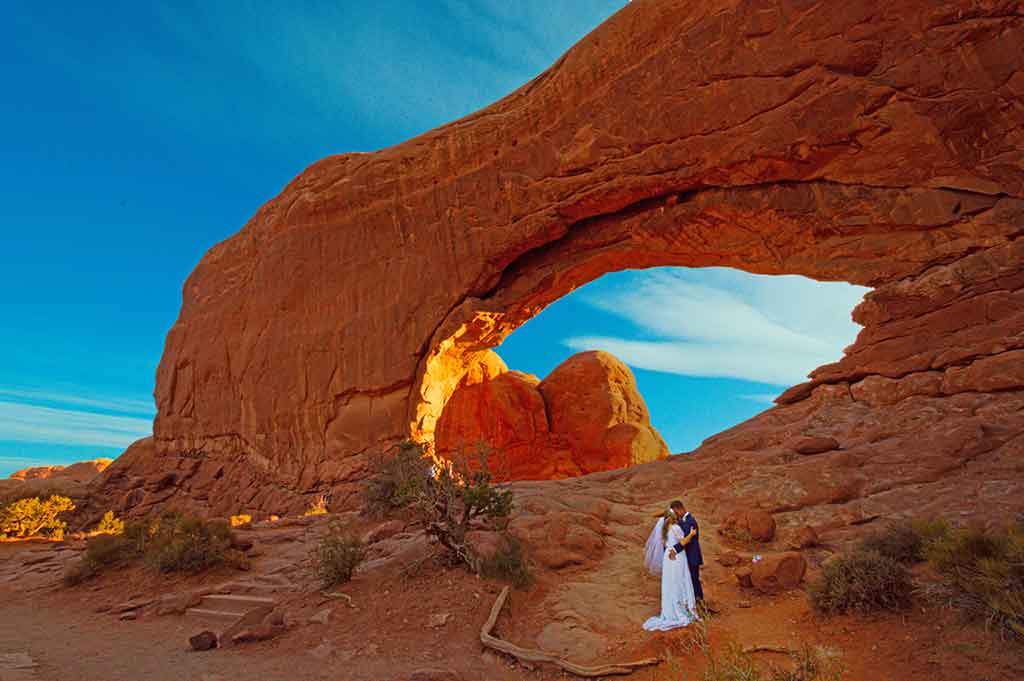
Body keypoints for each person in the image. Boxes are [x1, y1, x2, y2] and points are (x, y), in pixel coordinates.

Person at [641, 507, 699, 631]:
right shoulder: (676, 528)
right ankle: (680, 609)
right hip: (677, 557)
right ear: (674, 518)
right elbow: (683, 542)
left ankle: (670, 609)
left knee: (670, 582)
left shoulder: (664, 529)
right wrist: (691, 534)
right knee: (678, 581)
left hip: (668, 558)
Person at [668, 499, 704, 603]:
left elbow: (686, 541)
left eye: (676, 512)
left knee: (694, 579)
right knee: (688, 580)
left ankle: (699, 601)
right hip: (685, 556)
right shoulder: (682, 521)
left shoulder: (691, 521)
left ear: (680, 509)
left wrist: (675, 550)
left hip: (692, 556)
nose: (676, 515)